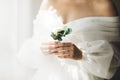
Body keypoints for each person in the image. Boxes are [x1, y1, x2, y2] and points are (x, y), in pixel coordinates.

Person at [17, 0, 120, 80]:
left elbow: (116, 57)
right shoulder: (48, 2)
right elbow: (35, 41)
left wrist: (81, 54)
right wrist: (42, 49)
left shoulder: (103, 5)